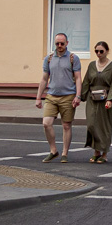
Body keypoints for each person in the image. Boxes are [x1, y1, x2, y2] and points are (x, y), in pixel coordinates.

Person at [35, 33, 81, 162]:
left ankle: (65, 153)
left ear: (67, 43)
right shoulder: (49, 59)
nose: (59, 46)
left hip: (68, 96)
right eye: (57, 44)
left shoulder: (73, 58)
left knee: (66, 125)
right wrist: (39, 97)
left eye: (62, 43)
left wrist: (78, 96)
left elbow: (78, 78)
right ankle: (53, 150)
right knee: (46, 123)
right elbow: (44, 79)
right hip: (51, 96)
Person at [80, 41, 112, 163]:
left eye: (101, 51)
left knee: (104, 127)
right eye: (96, 51)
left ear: (107, 51)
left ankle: (104, 154)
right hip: (92, 99)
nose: (98, 53)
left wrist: (111, 99)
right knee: (92, 125)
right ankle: (96, 151)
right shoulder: (92, 65)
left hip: (106, 101)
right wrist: (80, 96)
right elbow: (86, 81)